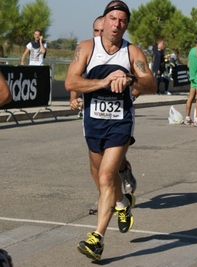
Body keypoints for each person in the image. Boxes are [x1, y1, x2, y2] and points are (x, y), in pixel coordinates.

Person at [64, 1, 156, 261]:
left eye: (122, 20)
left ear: (126, 25)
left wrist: (131, 78)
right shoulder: (86, 48)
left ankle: (97, 239)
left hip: (120, 122)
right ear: (103, 21)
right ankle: (123, 203)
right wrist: (104, 81)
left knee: (106, 175)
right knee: (99, 176)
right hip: (93, 123)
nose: (117, 24)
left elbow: (151, 84)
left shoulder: (132, 52)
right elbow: (70, 81)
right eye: (113, 18)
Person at [69, 15, 139, 216]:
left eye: (102, 31)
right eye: (96, 31)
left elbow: (142, 81)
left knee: (109, 167)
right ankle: (113, 193)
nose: (100, 34)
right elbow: (75, 78)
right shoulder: (87, 49)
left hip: (119, 118)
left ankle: (106, 199)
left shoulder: (127, 51)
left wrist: (131, 91)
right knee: (97, 165)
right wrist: (74, 98)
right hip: (94, 116)